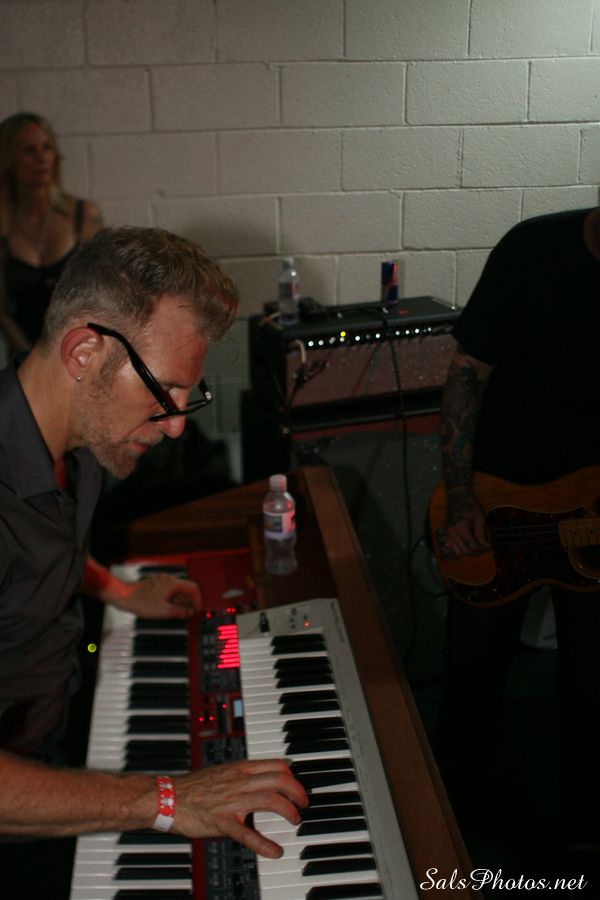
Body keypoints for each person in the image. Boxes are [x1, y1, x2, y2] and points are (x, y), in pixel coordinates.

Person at [0, 227, 307, 861]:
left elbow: (38, 552)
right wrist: (166, 800)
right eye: (164, 393)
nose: (174, 428)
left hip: (60, 724)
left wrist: (117, 590)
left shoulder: (79, 438)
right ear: (84, 352)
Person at [438, 206, 600, 861]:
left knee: (593, 680)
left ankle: (586, 825)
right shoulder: (532, 249)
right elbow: (466, 372)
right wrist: (459, 498)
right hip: (500, 501)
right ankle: (449, 825)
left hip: (591, 510)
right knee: (475, 677)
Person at [0, 111, 104, 352]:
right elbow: (2, 311)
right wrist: (29, 355)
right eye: (29, 150)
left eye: (47, 148)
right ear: (8, 159)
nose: (42, 158)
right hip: (25, 354)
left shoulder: (84, 216)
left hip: (82, 351)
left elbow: (103, 292)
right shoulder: (3, 227)